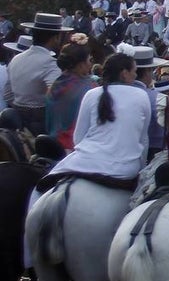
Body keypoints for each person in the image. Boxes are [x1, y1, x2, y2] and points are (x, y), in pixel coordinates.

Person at [34, 52, 150, 196]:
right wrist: (141, 169)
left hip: (85, 161)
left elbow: (78, 138)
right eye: (134, 72)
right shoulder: (141, 95)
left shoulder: (91, 94)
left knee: (40, 189)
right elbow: (143, 140)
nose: (135, 76)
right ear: (124, 73)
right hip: (125, 168)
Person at [3, 12, 69, 135]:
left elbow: (7, 94)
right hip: (40, 122)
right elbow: (56, 97)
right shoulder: (50, 63)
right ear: (55, 37)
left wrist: (21, 105)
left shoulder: (16, 59)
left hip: (16, 117)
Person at [44, 40, 97, 151]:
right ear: (81, 64)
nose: (90, 64)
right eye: (89, 60)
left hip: (51, 141)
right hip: (74, 146)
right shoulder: (89, 87)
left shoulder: (56, 83)